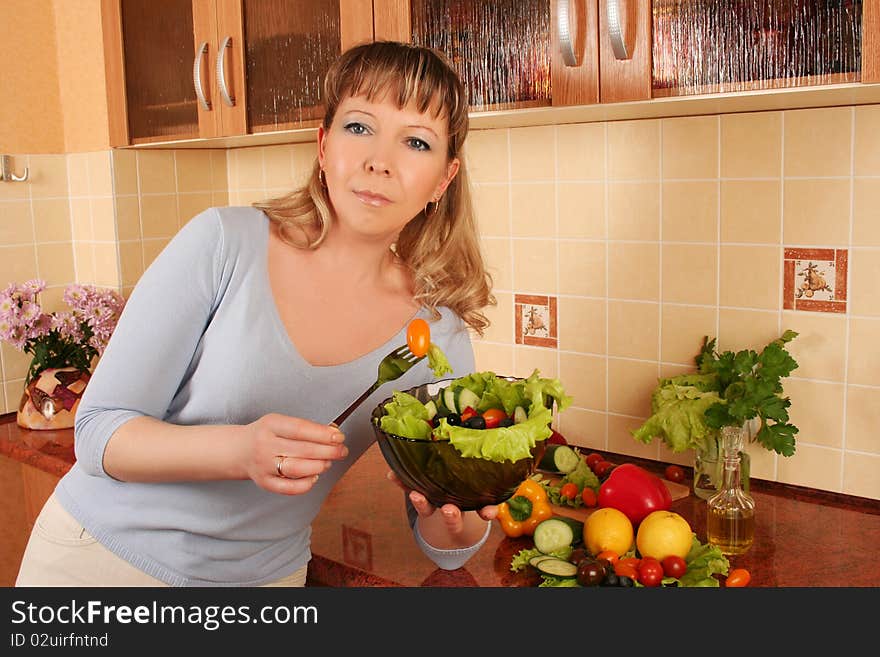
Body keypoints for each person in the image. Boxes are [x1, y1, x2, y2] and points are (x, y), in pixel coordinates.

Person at [15, 40, 496, 587]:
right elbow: (100, 432)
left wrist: (455, 523)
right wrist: (240, 449)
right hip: (101, 563)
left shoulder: (436, 335)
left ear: (443, 179)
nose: (378, 161)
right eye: (359, 127)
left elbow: (446, 545)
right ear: (323, 145)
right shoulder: (223, 242)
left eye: (415, 141)